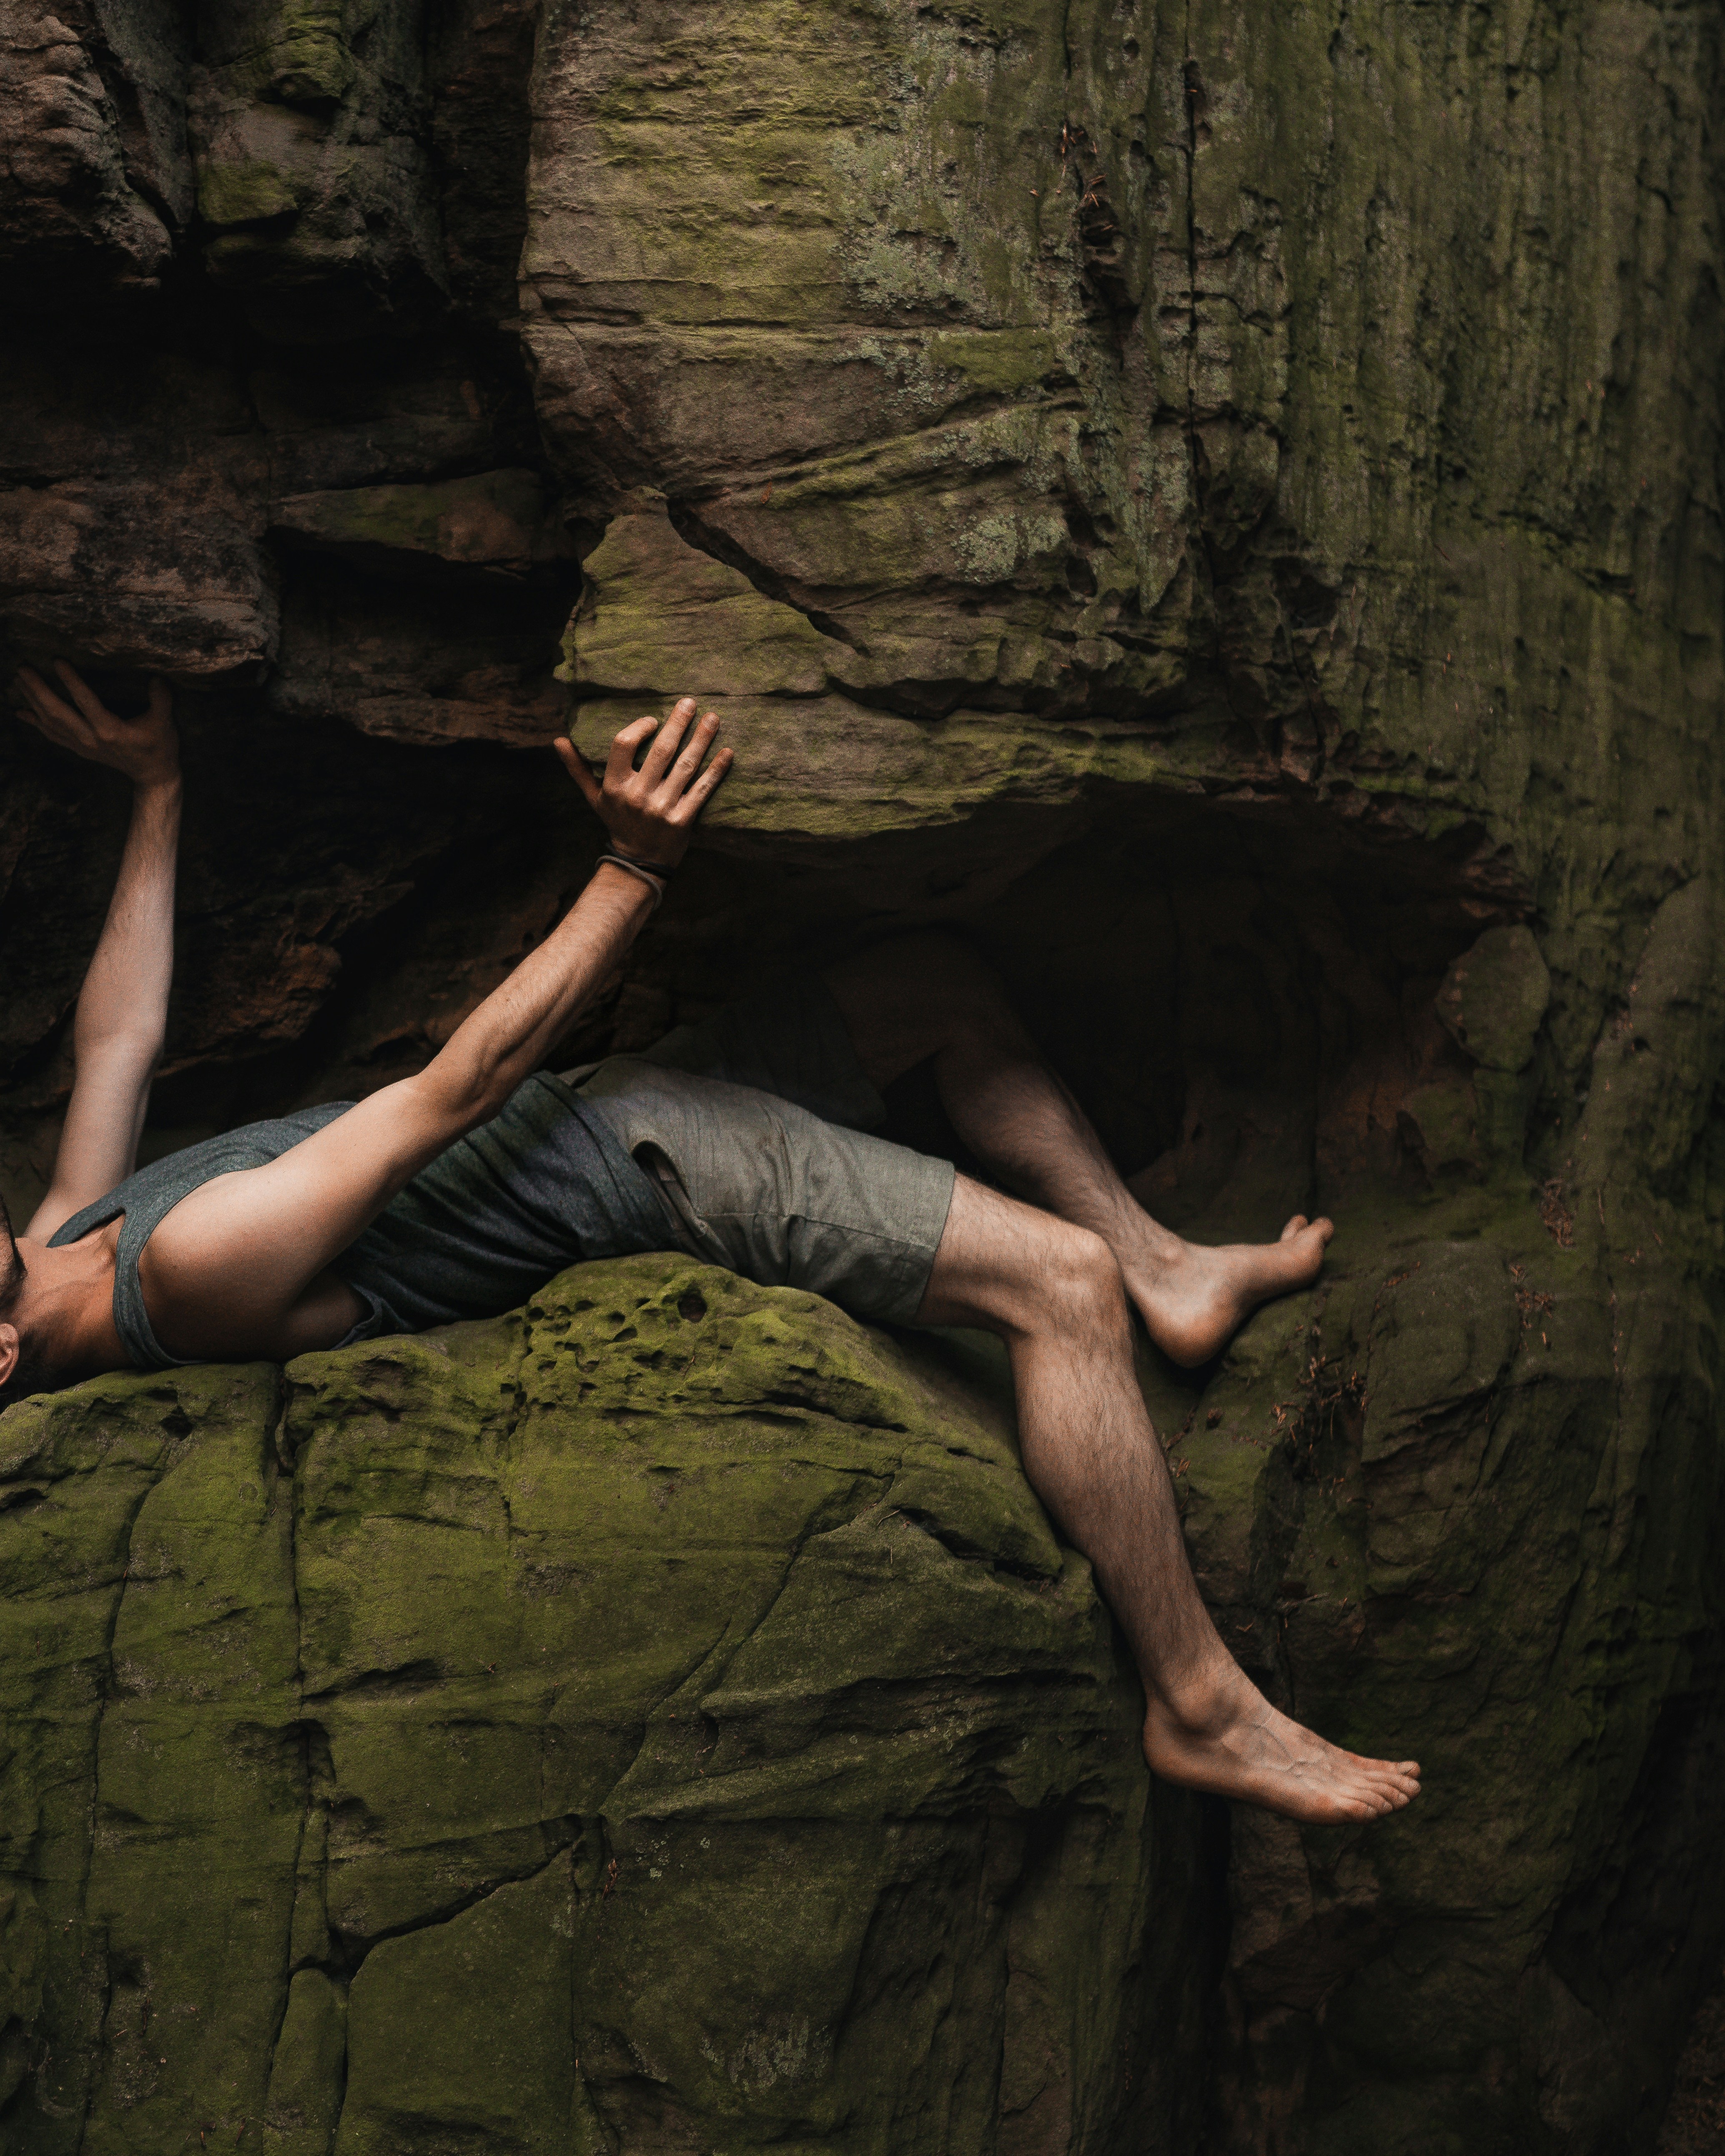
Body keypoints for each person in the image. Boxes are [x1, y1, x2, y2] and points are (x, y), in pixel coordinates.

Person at [3, 662, 1420, 1826]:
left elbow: (117, 1039)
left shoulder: (72, 1237)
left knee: (930, 987)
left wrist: (159, 786)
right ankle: (1200, 1702)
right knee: (1057, 1286)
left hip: (614, 1104)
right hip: (647, 1169)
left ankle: (1169, 1273)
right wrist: (630, 866)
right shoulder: (185, 1279)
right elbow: (452, 1092)